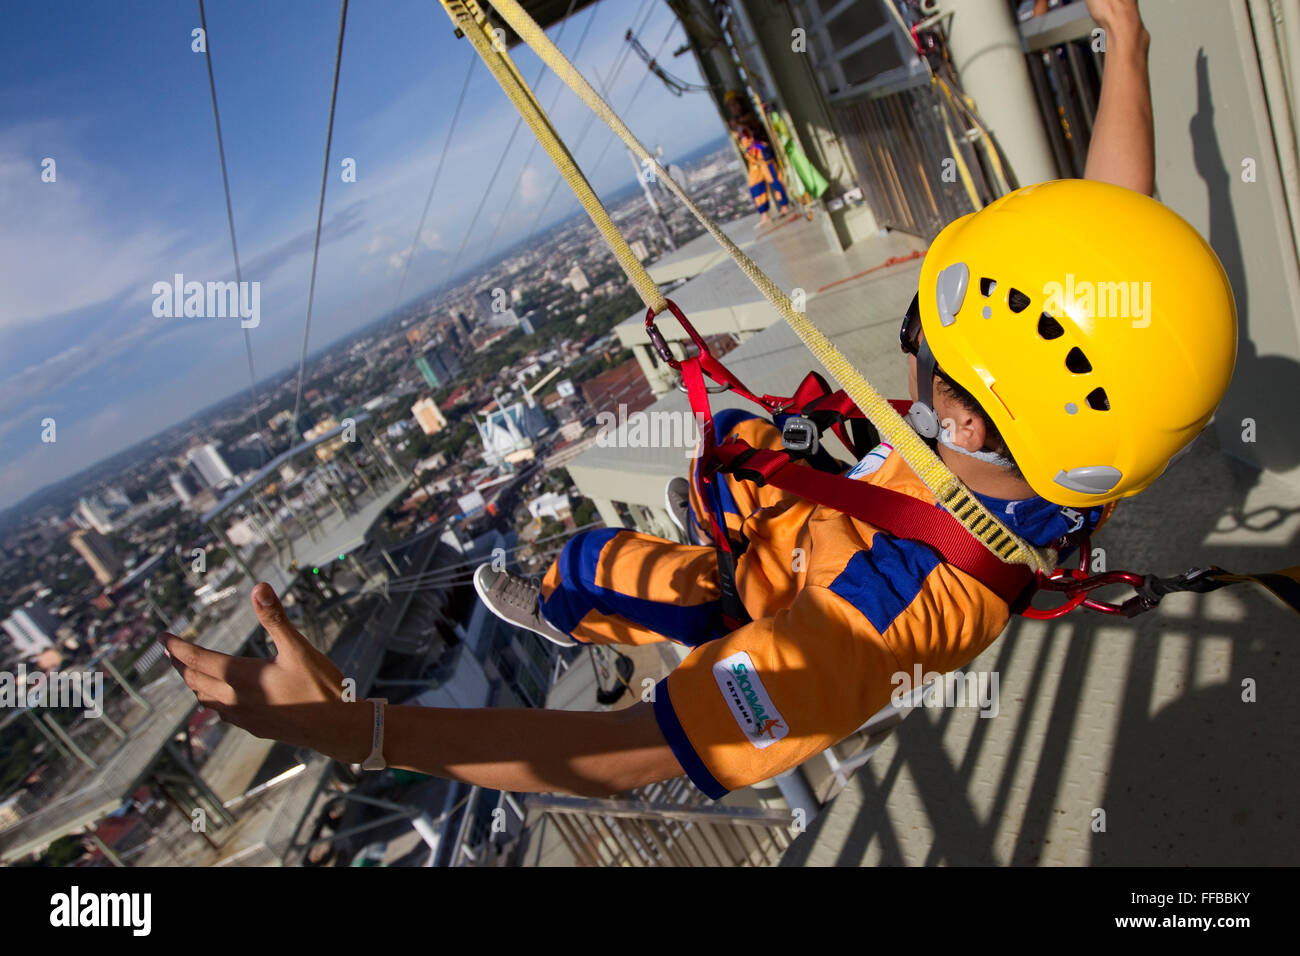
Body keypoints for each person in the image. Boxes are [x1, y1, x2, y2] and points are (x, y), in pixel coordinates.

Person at [157, 0, 1231, 800]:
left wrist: (366, 732)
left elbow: (618, 757)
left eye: (930, 355)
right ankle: (598, 578)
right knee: (736, 443)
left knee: (619, 568)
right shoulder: (1092, 427)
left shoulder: (878, 622)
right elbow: (1110, 234)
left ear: (954, 409)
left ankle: (573, 601)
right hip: (858, 517)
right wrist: (1124, 47)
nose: (922, 372)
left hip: (805, 591)